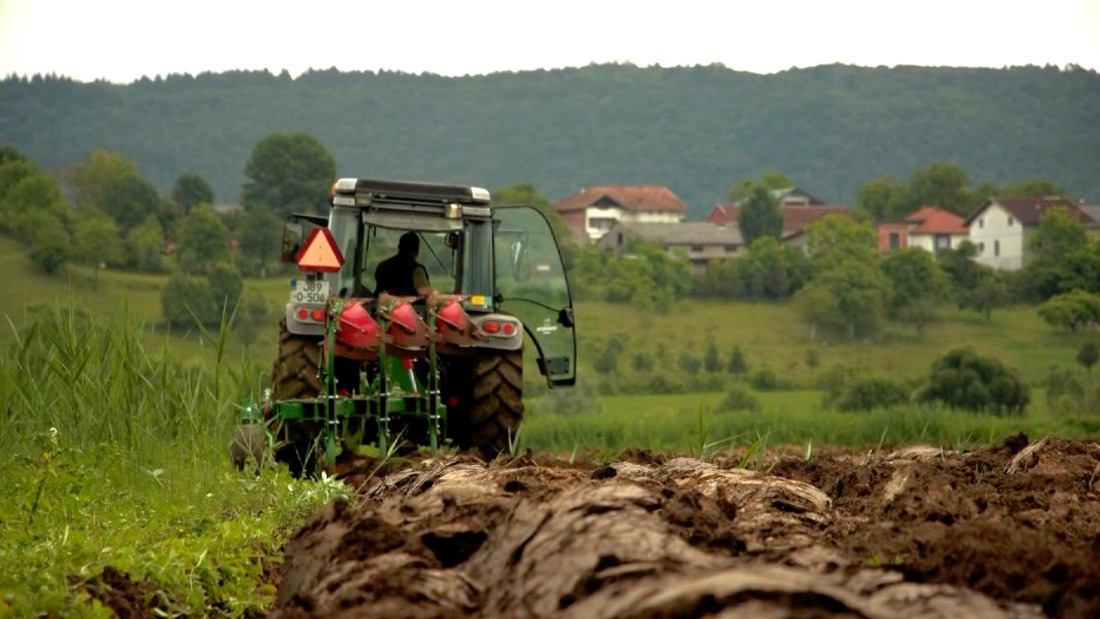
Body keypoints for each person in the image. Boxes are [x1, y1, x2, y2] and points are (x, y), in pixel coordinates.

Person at [374, 232, 432, 297]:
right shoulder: (417, 269)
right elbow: (425, 294)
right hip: (410, 306)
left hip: (383, 305)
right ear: (417, 249)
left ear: (399, 247)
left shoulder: (383, 266)